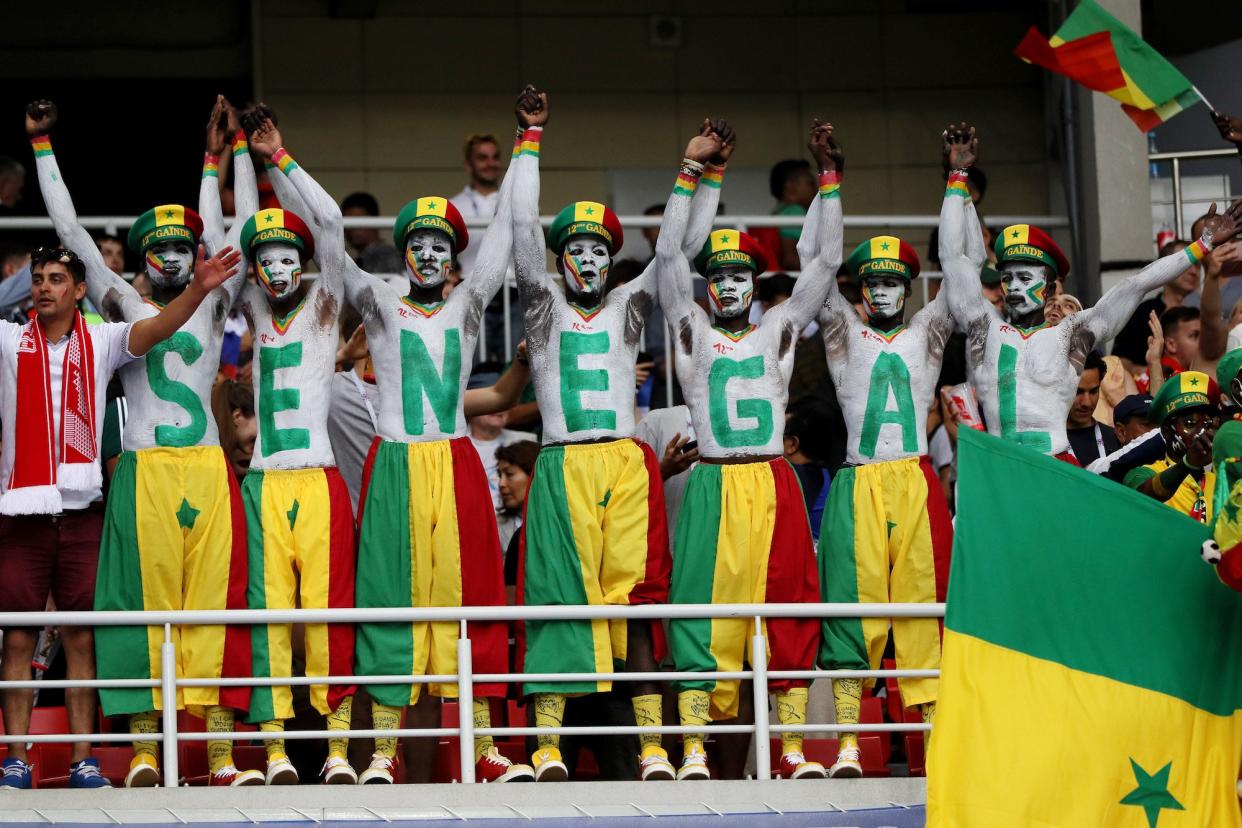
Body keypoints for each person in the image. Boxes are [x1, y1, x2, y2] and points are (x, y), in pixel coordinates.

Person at [251, 90, 531, 785]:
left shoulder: (469, 300)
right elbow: (325, 226)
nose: (431, 252)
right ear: (403, 252)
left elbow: (509, 230)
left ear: (454, 259)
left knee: (475, 601)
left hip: (457, 459)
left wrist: (529, 140)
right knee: (386, 603)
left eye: (441, 244)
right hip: (396, 462)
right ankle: (380, 752)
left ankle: (489, 746)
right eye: (419, 243)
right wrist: (279, 157)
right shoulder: (375, 301)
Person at [28, 98, 258, 787]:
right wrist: (43, 147)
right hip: (144, 470)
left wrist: (225, 154)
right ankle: (147, 755)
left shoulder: (216, 298)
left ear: (195, 256)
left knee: (216, 607)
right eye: (158, 248)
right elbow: (66, 227)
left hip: (207, 469)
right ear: (140, 256)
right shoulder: (120, 307)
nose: (171, 257)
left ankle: (220, 759)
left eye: (182, 248)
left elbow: (237, 227)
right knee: (137, 610)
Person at [510, 89, 725, 783]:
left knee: (638, 610)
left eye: (600, 249)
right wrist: (531, 139)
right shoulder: (540, 304)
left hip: (626, 468)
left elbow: (676, 252)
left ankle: (656, 748)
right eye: (576, 248)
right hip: (561, 463)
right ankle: (545, 747)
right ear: (561, 256)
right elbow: (519, 233)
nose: (590, 260)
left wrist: (694, 172)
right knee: (553, 605)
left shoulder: (632, 306)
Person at [0, 243, 237, 790]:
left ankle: (84, 760)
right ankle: (15, 758)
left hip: (83, 513)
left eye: (57, 278)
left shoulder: (103, 340)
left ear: (79, 291)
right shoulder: (11, 341)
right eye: (37, 278)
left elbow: (157, 331)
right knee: (16, 640)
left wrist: (198, 289)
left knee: (83, 638)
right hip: (22, 514)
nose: (44, 287)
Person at [659, 119, 840, 781]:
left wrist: (829, 182)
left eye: (740, 276)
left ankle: (790, 750)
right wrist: (694, 170)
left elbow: (823, 265)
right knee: (706, 622)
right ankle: (698, 753)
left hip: (771, 479)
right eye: (720, 276)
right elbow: (670, 258)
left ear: (757, 285)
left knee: (787, 609)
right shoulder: (690, 332)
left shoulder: (782, 330)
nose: (728, 284)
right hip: (712, 480)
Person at [938, 122, 1240, 466]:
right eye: (1008, 279)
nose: (1016, 288)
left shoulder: (1073, 333)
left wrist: (1202, 246)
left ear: (1051, 289)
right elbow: (951, 259)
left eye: (1026, 277)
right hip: (999, 468)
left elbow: (1137, 284)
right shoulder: (984, 327)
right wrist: (957, 176)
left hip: (1056, 464)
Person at [212, 102, 363, 785]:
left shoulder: (327, 305)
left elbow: (330, 221)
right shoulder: (249, 309)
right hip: (266, 484)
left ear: (302, 265)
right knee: (269, 622)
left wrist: (279, 156)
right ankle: (273, 752)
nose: (273, 268)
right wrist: (237, 151)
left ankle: (335, 751)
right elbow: (244, 226)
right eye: (264, 260)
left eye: (284, 258)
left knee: (328, 621)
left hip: (319, 480)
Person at [813, 131, 958, 778]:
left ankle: (936, 743)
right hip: (859, 480)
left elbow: (958, 267)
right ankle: (849, 742)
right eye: (872, 282)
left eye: (895, 280)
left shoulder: (928, 330)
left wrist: (956, 183)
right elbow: (816, 272)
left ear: (909, 285)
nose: (883, 291)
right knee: (852, 607)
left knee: (926, 610)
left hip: (915, 478)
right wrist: (830, 182)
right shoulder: (844, 333)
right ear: (861, 289)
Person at [1123, 371, 1219, 522]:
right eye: (1190, 424)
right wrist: (1188, 464)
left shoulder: (1221, 482)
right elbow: (1142, 497)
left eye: (1206, 424)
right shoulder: (1142, 474)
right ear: (1167, 431)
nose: (1202, 432)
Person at [1110, 239, 1201, 371]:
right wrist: (1154, 373)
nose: (1193, 271)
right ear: (1164, 268)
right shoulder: (1142, 313)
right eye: (1185, 263)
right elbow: (1119, 364)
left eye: (1197, 264)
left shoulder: (1205, 310)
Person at [1065, 351, 1119, 465]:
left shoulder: (1116, 439)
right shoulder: (1047, 443)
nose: (1087, 403)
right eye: (1078, 392)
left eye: (1094, 391)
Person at [768, 159, 814, 270]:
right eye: (810, 183)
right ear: (791, 186)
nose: (816, 188)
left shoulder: (777, 212)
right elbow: (790, 259)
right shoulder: (795, 212)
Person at [340, 192, 402, 275]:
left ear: (373, 221)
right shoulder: (357, 261)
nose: (351, 229)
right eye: (347, 224)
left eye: (357, 221)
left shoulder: (389, 257)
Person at [495, 440, 539, 552]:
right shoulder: (494, 528)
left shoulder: (559, 524)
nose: (501, 484)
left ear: (533, 475)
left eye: (509, 474)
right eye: (500, 476)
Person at [1160, 306, 1200, 372]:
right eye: (1194, 335)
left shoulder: (1155, 370)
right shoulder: (1179, 380)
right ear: (1171, 345)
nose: (1203, 342)